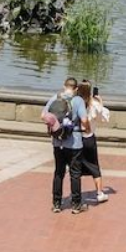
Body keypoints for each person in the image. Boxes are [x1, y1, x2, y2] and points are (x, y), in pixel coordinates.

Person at [43, 76, 88, 216]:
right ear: (75, 89)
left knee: (58, 172)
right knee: (75, 174)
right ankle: (76, 204)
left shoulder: (55, 97)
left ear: (64, 86)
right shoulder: (78, 100)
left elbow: (43, 115)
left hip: (58, 142)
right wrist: (85, 128)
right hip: (74, 142)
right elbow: (85, 120)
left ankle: (56, 203)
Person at [76, 80, 110, 202]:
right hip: (89, 137)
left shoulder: (74, 103)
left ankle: (76, 194)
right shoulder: (94, 104)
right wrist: (100, 102)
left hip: (76, 138)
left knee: (76, 167)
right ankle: (99, 192)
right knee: (94, 165)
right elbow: (104, 118)